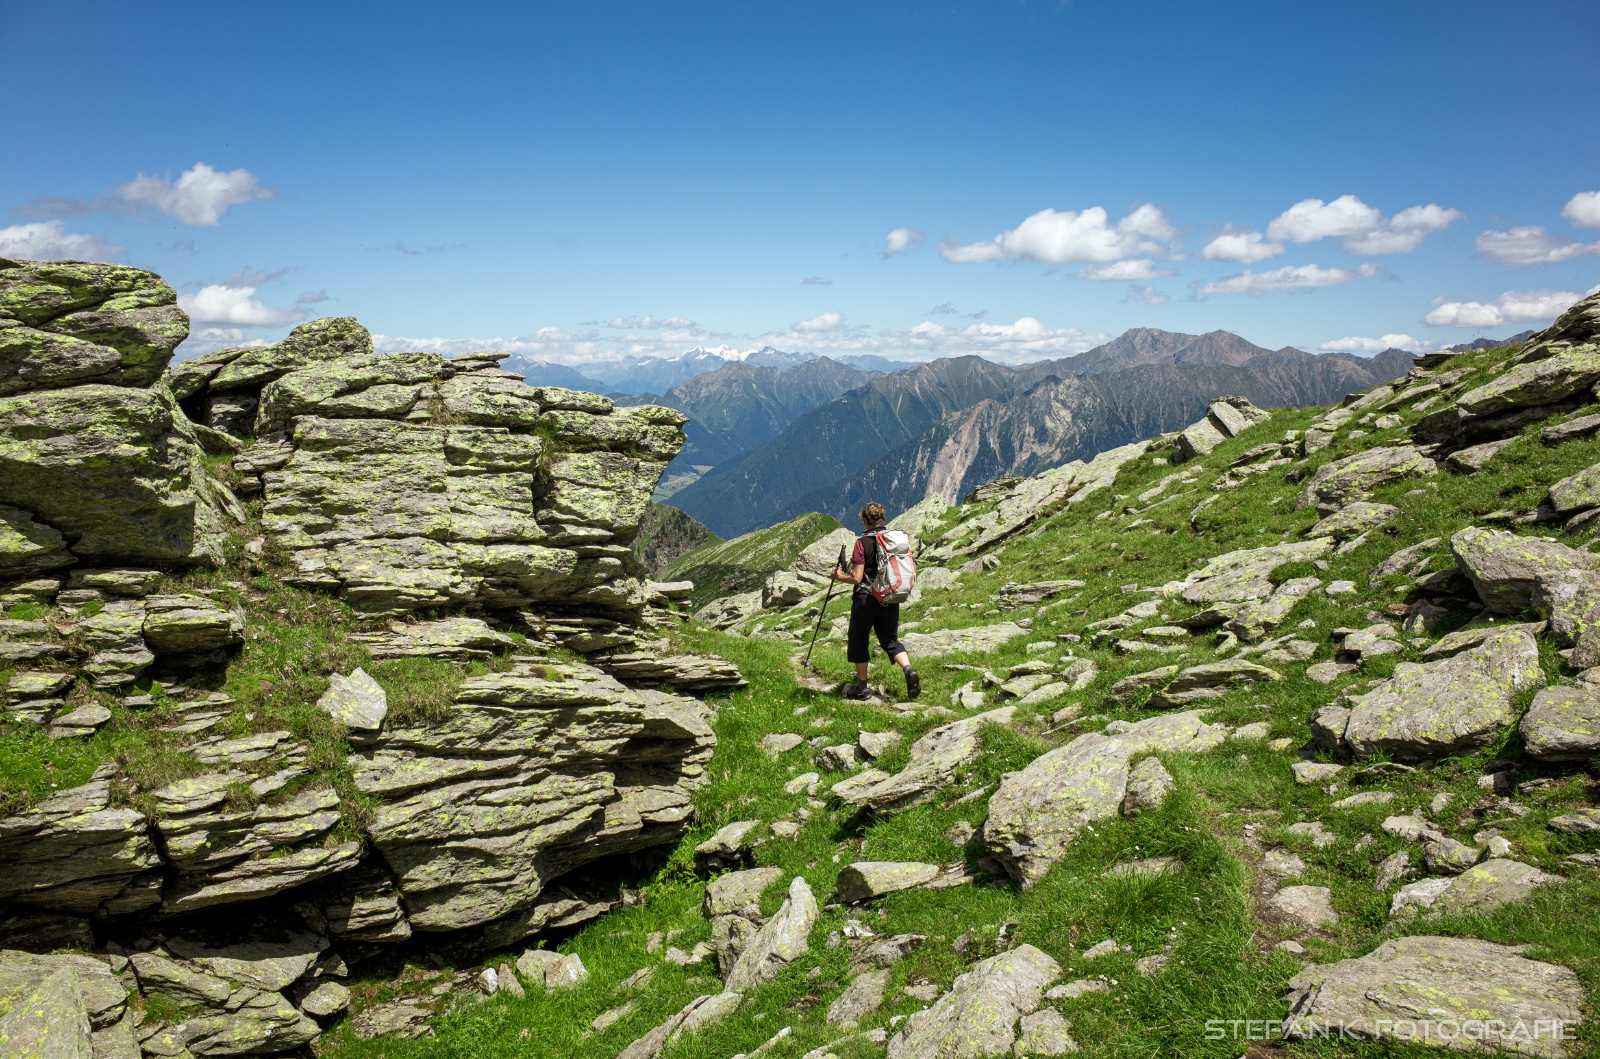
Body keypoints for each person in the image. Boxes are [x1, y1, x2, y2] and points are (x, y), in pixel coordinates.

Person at [830, 502, 920, 701]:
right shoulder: (893, 540)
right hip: (890, 597)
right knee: (890, 640)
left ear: (864, 520)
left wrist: (837, 576)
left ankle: (862, 689)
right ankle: (908, 669)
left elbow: (856, 577)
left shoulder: (862, 543)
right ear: (883, 519)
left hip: (866, 599)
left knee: (859, 639)